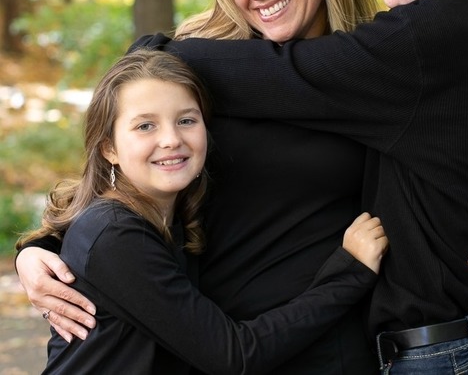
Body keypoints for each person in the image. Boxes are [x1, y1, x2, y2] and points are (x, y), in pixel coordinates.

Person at [16, 0, 468, 373]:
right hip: (223, 346)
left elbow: (443, 165)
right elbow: (129, 172)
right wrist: (48, 247)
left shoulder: (381, 64)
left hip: (337, 348)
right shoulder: (205, 64)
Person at [17, 49, 387, 374]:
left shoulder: (167, 221)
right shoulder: (115, 234)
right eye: (145, 126)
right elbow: (234, 356)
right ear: (109, 149)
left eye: (186, 120)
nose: (171, 139)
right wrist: (348, 273)